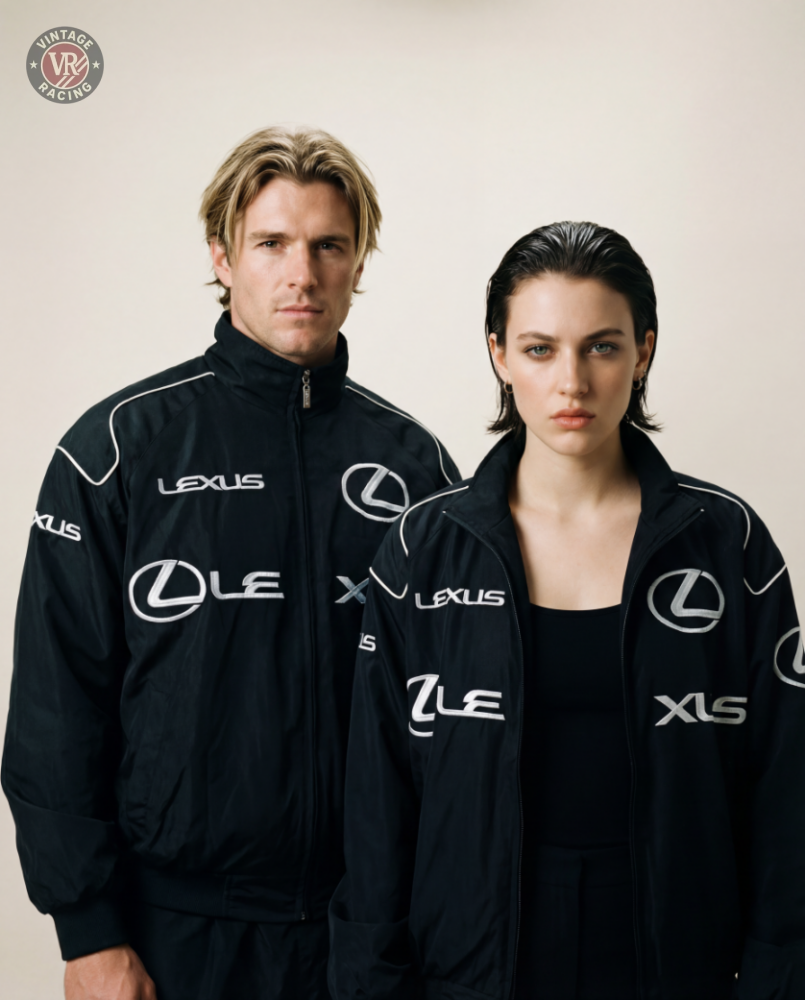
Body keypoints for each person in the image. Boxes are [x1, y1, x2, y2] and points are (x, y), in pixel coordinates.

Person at [2, 126, 459, 1000]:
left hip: (368, 939)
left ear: (358, 261)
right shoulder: (117, 450)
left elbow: (455, 722)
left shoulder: (418, 469)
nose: (303, 273)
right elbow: (56, 709)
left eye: (330, 245)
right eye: (272, 244)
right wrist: (89, 932)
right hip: (172, 939)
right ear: (221, 255)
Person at [328, 221, 805, 999]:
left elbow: (785, 794)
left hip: (672, 963)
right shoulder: (423, 548)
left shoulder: (727, 543)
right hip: (475, 963)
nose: (571, 383)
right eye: (540, 348)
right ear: (499, 354)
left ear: (643, 351)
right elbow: (378, 803)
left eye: (602, 346)